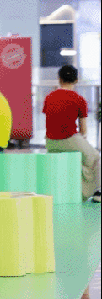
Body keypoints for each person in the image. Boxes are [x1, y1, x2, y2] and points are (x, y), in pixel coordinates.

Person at [43, 65, 100, 202]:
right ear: (76, 80)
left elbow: (50, 120)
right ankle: (96, 192)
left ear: (59, 79)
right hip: (69, 139)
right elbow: (83, 130)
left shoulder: (49, 97)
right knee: (95, 158)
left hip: (50, 142)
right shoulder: (79, 99)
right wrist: (82, 139)